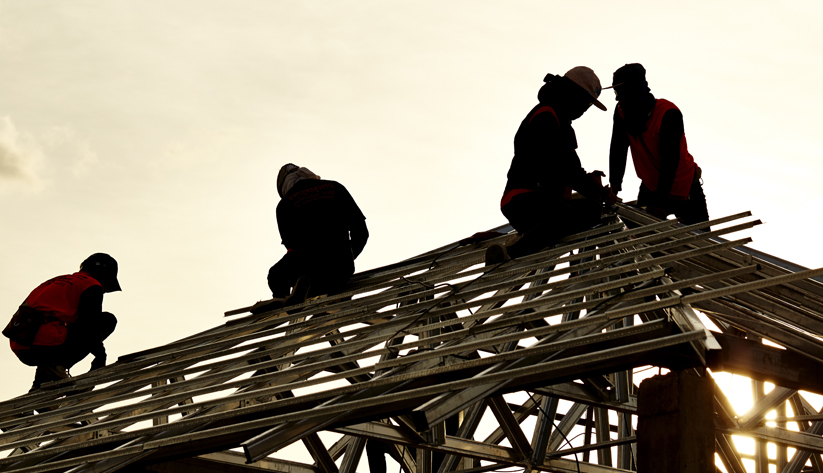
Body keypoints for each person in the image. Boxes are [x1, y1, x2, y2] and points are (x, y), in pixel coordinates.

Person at [489, 66, 617, 264]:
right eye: (585, 103)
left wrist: (590, 185)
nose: (584, 110)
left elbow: (570, 168)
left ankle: (532, 236)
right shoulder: (546, 117)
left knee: (591, 210)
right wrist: (592, 188)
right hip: (522, 198)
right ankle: (511, 254)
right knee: (567, 216)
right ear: (572, 94)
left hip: (545, 200)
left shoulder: (560, 121)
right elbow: (562, 166)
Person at [608, 63, 709, 228]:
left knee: (699, 245)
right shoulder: (621, 112)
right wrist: (614, 187)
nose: (617, 98)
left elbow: (670, 163)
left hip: (684, 189)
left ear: (634, 90)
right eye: (615, 92)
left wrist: (661, 205)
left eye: (620, 92)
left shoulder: (668, 114)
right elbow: (618, 148)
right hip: (651, 186)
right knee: (640, 242)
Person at [3, 253, 120, 390]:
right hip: (44, 340)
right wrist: (100, 356)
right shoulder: (91, 284)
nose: (105, 289)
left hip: (20, 344)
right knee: (107, 320)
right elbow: (89, 325)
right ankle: (56, 367)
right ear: (104, 273)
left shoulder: (53, 281)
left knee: (73, 329)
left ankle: (42, 384)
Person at [265, 164, 368, 307]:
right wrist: (347, 257)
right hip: (341, 263)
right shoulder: (335, 187)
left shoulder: (285, 204)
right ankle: (318, 284)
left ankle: (283, 297)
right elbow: (361, 232)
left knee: (276, 276)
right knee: (332, 277)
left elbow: (293, 248)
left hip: (309, 266)